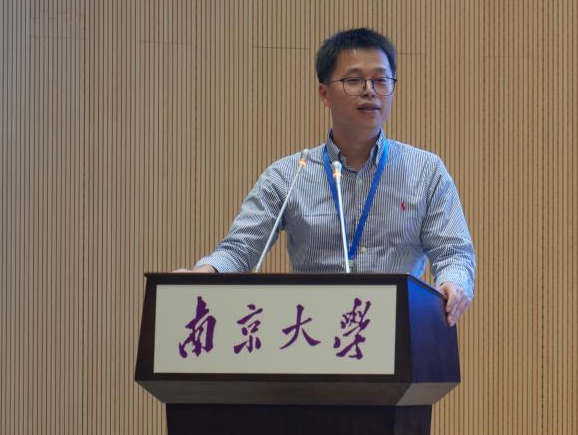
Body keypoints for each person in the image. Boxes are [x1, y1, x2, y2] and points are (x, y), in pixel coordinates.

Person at [180, 28, 475, 326]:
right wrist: (204, 273)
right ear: (324, 94)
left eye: (380, 80)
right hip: (313, 334)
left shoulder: (426, 171)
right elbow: (240, 249)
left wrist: (452, 283)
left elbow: (453, 253)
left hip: (398, 330)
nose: (370, 91)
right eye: (354, 80)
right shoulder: (288, 175)